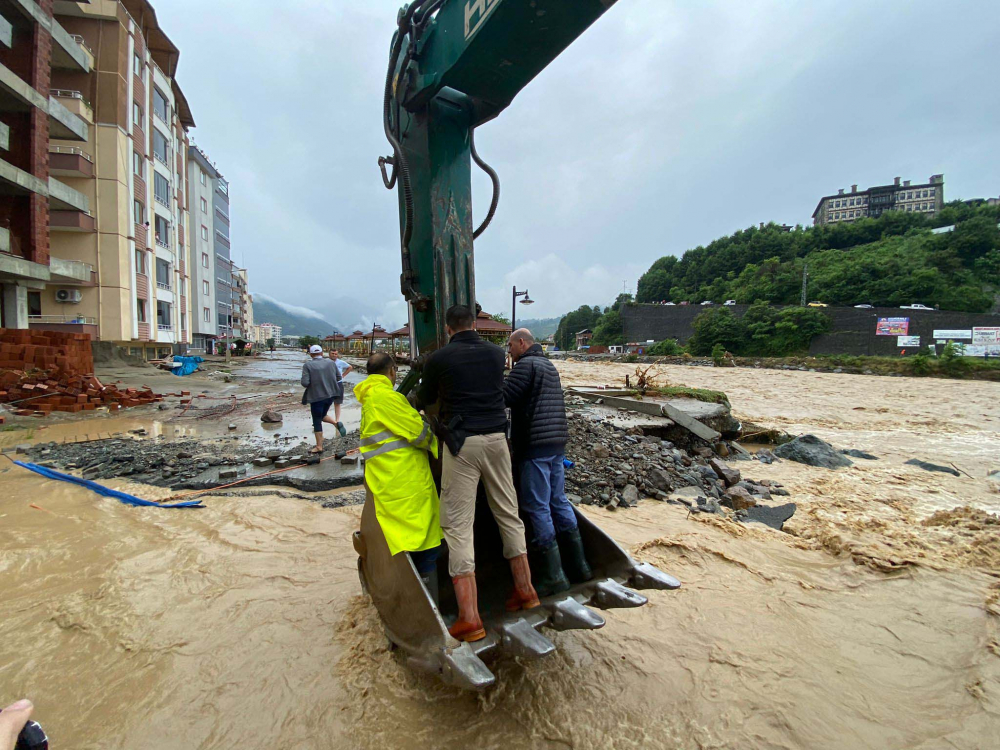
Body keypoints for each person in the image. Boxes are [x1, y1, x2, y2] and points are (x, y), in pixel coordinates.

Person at [415, 305, 538, 642]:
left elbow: (423, 400)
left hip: (463, 444)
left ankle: (470, 618)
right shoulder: (496, 354)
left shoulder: (439, 358)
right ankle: (526, 592)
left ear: (447, 327)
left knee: (456, 525)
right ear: (474, 323)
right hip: (499, 440)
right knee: (509, 514)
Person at [505, 329, 591, 595]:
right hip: (556, 445)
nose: (509, 351)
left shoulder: (525, 366)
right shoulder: (548, 366)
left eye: (510, 346)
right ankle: (580, 567)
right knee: (558, 500)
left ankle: (553, 576)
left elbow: (504, 397)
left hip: (535, 446)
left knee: (537, 506)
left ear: (522, 343)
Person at [356, 352, 443, 596]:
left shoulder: (370, 399)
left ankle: (409, 598)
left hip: (387, 480)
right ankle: (428, 608)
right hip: (406, 481)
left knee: (406, 544)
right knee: (425, 547)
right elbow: (419, 433)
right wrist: (437, 439)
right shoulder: (388, 398)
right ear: (393, 371)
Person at [301, 344, 347, 454]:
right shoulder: (331, 363)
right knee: (322, 415)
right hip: (330, 395)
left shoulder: (308, 365)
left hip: (317, 396)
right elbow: (339, 377)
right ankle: (336, 423)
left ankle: (319, 446)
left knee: (317, 420)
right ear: (322, 353)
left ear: (311, 354)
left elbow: (305, 383)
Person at [329, 349, 354, 426]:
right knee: (325, 402)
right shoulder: (326, 362)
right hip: (328, 384)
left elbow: (350, 367)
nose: (334, 355)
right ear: (329, 354)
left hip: (338, 384)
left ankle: (337, 420)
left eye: (336, 354)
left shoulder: (341, 362)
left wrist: (343, 375)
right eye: (332, 353)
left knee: (337, 402)